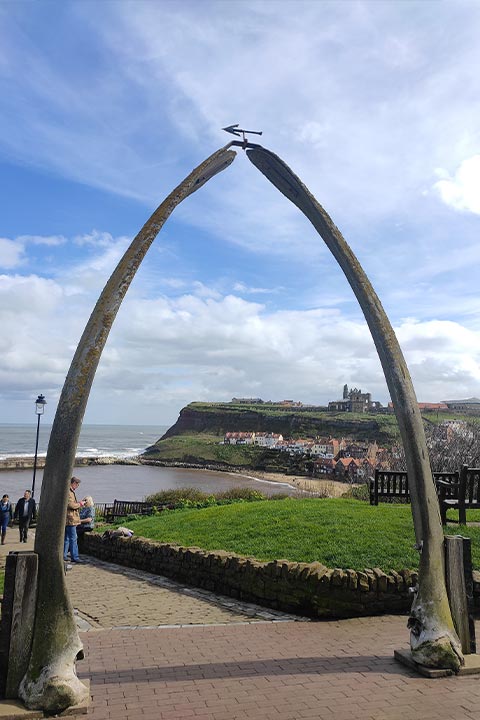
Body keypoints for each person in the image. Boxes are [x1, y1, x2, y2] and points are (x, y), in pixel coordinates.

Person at [64, 477, 84, 563]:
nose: (78, 486)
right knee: (73, 538)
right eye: (77, 484)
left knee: (67, 538)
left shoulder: (68, 491)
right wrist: (80, 504)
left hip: (68, 518)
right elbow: (71, 505)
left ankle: (64, 555)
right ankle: (75, 557)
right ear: (73, 483)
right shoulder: (69, 492)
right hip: (70, 518)